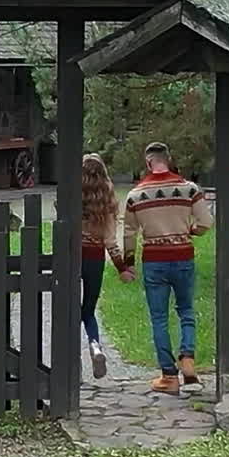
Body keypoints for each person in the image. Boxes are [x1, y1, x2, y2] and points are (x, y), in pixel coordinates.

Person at [123, 142, 213, 396]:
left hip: (154, 261)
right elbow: (206, 222)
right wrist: (192, 231)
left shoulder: (136, 195)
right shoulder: (189, 190)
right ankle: (188, 358)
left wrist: (128, 263)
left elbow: (129, 233)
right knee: (186, 309)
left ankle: (169, 376)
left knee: (159, 317)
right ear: (169, 159)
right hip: (183, 255)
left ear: (148, 162)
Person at [81, 153, 132, 380]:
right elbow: (111, 241)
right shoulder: (107, 201)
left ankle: (74, 367)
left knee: (69, 310)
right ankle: (95, 346)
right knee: (88, 310)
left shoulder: (74, 195)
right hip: (94, 257)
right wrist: (122, 267)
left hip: (72, 256)